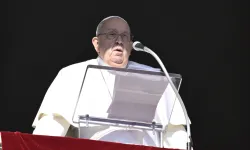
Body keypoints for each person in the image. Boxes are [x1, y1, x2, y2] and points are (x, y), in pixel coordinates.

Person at [32, 16, 190, 149]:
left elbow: (174, 132)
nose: (119, 41)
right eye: (111, 35)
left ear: (130, 44)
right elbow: (50, 128)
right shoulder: (72, 75)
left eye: (125, 36)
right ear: (96, 43)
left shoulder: (155, 76)